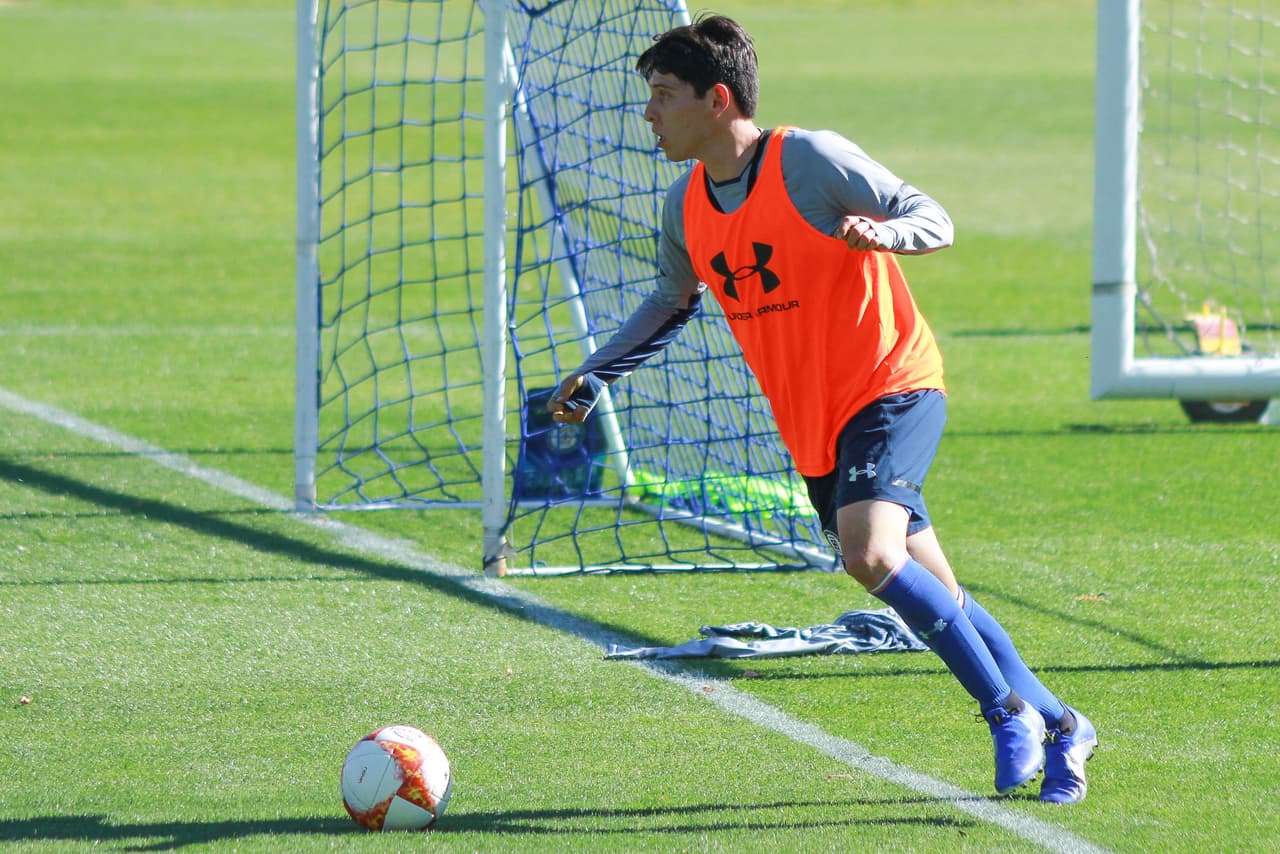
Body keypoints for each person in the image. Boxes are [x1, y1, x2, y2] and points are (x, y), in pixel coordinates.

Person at [546, 14, 1095, 803]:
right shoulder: (684, 206)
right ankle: (1064, 724)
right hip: (815, 425)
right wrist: (597, 374)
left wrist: (887, 233)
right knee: (939, 596)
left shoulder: (807, 158)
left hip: (892, 383)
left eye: (664, 95)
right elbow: (672, 302)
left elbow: (934, 217)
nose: (649, 113)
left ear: (718, 99)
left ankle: (1006, 713)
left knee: (868, 554)